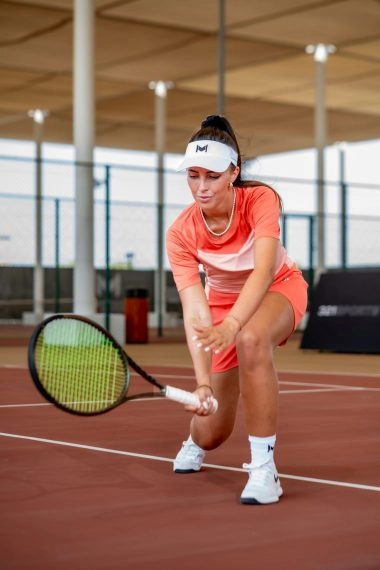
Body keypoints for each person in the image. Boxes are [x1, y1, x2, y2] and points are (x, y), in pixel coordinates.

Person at [166, 115, 308, 505]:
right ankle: (195, 441)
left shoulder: (261, 199)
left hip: (277, 287)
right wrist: (202, 384)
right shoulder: (180, 232)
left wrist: (231, 323)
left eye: (211, 175)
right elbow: (196, 310)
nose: (201, 186)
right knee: (212, 431)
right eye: (193, 175)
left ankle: (265, 470)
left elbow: (263, 269)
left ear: (233, 172)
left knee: (251, 338)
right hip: (223, 305)